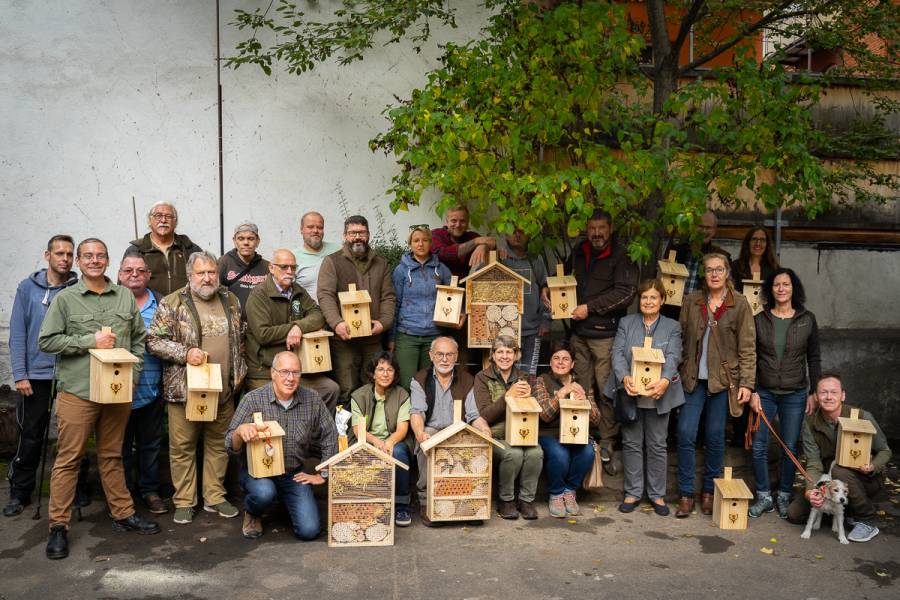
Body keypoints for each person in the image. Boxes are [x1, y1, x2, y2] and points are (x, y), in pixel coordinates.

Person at [38, 238, 159, 560]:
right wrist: (89, 340)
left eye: (101, 256)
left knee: (112, 455)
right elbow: (47, 341)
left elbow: (137, 340)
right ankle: (58, 527)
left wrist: (132, 377)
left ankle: (123, 513)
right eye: (88, 256)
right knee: (69, 458)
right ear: (79, 261)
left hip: (116, 392)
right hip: (78, 391)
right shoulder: (66, 299)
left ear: (108, 261)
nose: (95, 261)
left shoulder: (123, 296)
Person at [147, 250, 247, 525]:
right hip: (185, 390)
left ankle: (214, 497)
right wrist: (185, 353)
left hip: (224, 390)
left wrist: (238, 375)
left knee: (219, 444)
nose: (207, 278)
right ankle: (184, 501)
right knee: (183, 446)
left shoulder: (231, 299)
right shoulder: (172, 302)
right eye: (201, 273)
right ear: (190, 276)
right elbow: (153, 340)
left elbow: (242, 336)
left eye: (211, 272)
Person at [676, 253, 755, 518]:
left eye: (719, 269)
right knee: (685, 433)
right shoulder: (691, 301)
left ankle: (709, 492)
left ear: (727, 272)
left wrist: (747, 383)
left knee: (715, 436)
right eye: (709, 270)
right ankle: (686, 494)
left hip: (723, 382)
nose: (714, 274)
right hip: (692, 380)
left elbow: (747, 347)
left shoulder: (740, 304)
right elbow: (681, 339)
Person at [226, 352, 338, 540]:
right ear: (273, 373)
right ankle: (253, 511)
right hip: (258, 474)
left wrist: (324, 473)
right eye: (284, 371)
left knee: (309, 530)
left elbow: (330, 435)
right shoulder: (253, 399)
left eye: (295, 372)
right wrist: (239, 432)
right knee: (264, 493)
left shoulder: (312, 399)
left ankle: (287, 500)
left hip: (293, 473)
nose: (290, 378)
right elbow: (228, 444)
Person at [4, 235, 79, 518]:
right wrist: (20, 374)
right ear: (47, 255)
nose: (65, 258)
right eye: (59, 253)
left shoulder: (78, 288)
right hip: (35, 374)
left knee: (73, 435)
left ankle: (76, 491)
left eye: (70, 254)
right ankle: (20, 491)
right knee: (31, 435)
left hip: (70, 373)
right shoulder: (28, 288)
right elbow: (19, 333)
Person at [603, 279, 684, 516]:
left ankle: (657, 495)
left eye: (653, 297)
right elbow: (617, 353)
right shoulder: (627, 323)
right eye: (645, 297)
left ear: (662, 300)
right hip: (632, 393)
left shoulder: (672, 326)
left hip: (660, 392)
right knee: (631, 443)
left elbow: (674, 356)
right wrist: (624, 377)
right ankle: (633, 492)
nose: (648, 302)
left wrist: (665, 380)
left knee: (658, 445)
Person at [747, 268, 821, 519]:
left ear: (793, 288)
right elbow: (752, 358)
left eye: (786, 284)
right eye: (777, 284)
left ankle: (784, 496)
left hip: (795, 393)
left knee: (790, 447)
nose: (781, 288)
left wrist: (814, 391)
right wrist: (753, 390)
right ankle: (764, 496)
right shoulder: (759, 319)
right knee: (758, 446)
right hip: (765, 392)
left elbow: (814, 357)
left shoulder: (806, 319)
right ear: (770, 289)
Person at [568, 208, 638, 473]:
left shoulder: (621, 255)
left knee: (606, 389)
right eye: (592, 228)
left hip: (606, 335)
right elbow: (564, 276)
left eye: (601, 228)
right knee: (581, 389)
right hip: (579, 333)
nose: (596, 234)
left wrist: (590, 307)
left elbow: (626, 294)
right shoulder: (579, 250)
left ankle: (607, 441)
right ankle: (582, 435)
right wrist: (547, 288)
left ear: (610, 228)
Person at [787, 374, 892, 542]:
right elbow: (814, 463)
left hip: (864, 477)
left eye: (834, 392)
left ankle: (867, 519)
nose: (828, 397)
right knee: (794, 514)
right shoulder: (810, 423)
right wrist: (809, 492)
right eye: (823, 392)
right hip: (829, 481)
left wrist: (872, 466)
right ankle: (843, 511)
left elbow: (885, 451)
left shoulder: (862, 417)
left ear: (843, 395)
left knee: (839, 470)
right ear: (816, 396)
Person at [244, 249, 340, 413]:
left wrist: (299, 327)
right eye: (284, 267)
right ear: (271, 268)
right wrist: (293, 329)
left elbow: (318, 315)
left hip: (294, 368)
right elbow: (263, 334)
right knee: (278, 404)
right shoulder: (258, 295)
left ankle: (316, 434)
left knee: (330, 389)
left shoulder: (297, 290)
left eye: (293, 267)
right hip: (265, 370)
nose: (289, 271)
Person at [317, 215, 397, 405]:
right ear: (345, 235)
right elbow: (325, 295)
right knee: (347, 388)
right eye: (353, 233)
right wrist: (337, 323)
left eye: (361, 232)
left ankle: (370, 430)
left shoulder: (381, 263)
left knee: (374, 385)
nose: (357, 237)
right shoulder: (332, 262)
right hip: (344, 340)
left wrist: (383, 322)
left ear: (368, 235)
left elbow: (388, 296)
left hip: (373, 338)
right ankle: (348, 432)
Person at [409, 336, 487, 526]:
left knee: (475, 444)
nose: (444, 359)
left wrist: (484, 429)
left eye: (449, 354)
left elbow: (473, 414)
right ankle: (427, 502)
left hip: (458, 431)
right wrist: (420, 434)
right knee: (426, 441)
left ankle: (467, 503)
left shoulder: (467, 379)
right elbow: (417, 412)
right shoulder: (420, 379)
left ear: (456, 356)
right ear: (431, 356)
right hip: (432, 429)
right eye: (440, 354)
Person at [468, 335, 543, 520]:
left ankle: (526, 500)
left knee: (536, 452)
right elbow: (485, 415)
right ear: (492, 355)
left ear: (516, 355)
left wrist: (528, 399)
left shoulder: (524, 378)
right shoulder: (482, 377)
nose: (504, 356)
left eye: (509, 352)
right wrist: (507, 397)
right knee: (513, 453)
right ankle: (506, 500)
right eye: (500, 352)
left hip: (521, 435)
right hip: (494, 436)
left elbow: (532, 413)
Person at [117, 250, 167, 515]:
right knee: (120, 447)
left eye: (140, 270)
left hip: (152, 390)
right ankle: (123, 495)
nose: (134, 275)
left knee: (150, 445)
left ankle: (149, 491)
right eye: (128, 270)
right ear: (119, 275)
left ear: (148, 275)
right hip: (117, 392)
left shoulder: (161, 303)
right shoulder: (111, 302)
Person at [533, 340, 600, 518]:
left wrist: (584, 400)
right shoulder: (542, 380)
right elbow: (543, 415)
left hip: (577, 434)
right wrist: (562, 393)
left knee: (587, 452)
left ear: (572, 364)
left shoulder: (583, 384)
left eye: (565, 359)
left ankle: (570, 491)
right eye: (556, 358)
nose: (560, 362)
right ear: (550, 362)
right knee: (560, 454)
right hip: (549, 434)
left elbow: (597, 419)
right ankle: (556, 493)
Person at [349, 352, 413, 526]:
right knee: (359, 457)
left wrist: (389, 443)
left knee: (399, 453)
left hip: (393, 439)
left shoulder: (402, 395)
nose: (385, 374)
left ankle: (401, 504)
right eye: (380, 369)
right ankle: (366, 506)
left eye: (390, 370)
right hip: (366, 439)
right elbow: (357, 429)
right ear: (372, 373)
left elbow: (402, 428)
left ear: (395, 373)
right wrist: (376, 443)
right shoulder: (359, 395)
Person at [389, 225, 453, 390]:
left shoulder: (442, 270)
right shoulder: (401, 271)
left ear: (431, 243)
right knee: (406, 383)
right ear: (410, 244)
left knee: (430, 383)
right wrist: (392, 338)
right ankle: (407, 416)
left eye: (425, 240)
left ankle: (429, 416)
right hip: (407, 334)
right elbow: (395, 304)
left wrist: (457, 317)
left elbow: (454, 297)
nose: (420, 244)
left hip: (434, 335)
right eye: (416, 240)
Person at [479, 228, 550, 374]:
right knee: (506, 375)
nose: (517, 235)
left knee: (529, 374)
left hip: (532, 329)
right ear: (505, 233)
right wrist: (489, 249)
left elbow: (546, 289)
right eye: (513, 231)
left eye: (522, 231)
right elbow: (478, 281)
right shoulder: (499, 256)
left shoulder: (535, 259)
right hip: (504, 331)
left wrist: (546, 320)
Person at [128, 202, 203, 296]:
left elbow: (204, 279)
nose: (163, 220)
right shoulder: (136, 250)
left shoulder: (190, 249)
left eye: (168, 216)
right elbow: (123, 287)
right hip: (150, 308)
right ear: (149, 221)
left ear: (175, 222)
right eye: (158, 216)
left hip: (185, 307)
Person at [430, 205, 500, 278]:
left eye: (462, 221)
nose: (458, 225)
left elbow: (492, 243)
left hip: (465, 287)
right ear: (447, 222)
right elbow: (444, 253)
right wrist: (476, 241)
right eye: (454, 220)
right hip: (438, 286)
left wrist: (483, 246)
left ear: (467, 223)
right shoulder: (435, 235)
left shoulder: (472, 237)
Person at [217, 221, 269, 311]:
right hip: (233, 321)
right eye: (241, 239)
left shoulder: (267, 267)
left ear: (258, 241)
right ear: (234, 241)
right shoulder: (223, 263)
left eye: (251, 239)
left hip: (260, 321)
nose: (246, 242)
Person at [293, 211, 341, 303]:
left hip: (339, 312)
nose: (315, 231)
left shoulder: (338, 251)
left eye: (320, 227)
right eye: (310, 227)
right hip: (309, 313)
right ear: (301, 230)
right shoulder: (293, 257)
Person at [731, 227, 779, 293]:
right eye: (754, 239)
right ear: (748, 242)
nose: (758, 243)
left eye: (762, 240)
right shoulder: (735, 266)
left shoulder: (774, 268)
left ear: (767, 244)